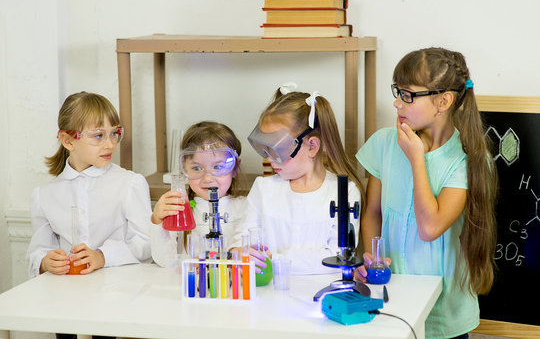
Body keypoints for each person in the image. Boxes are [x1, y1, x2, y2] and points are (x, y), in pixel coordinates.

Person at [354, 48, 497, 339]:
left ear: (443, 101)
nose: (396, 103)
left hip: (443, 318)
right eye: (397, 91)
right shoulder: (384, 143)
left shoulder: (466, 159)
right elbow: (373, 212)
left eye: (407, 94)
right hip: (390, 304)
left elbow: (429, 227)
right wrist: (372, 260)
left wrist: (417, 160)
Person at [230, 82, 366, 275]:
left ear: (312, 146)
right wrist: (238, 252)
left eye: (278, 149)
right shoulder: (263, 188)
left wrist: (273, 259)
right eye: (266, 149)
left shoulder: (345, 191)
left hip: (322, 299)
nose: (269, 158)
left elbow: (338, 257)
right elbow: (240, 241)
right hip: (267, 298)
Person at [27, 92, 152, 280]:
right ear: (68, 140)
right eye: (99, 135)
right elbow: (37, 252)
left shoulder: (129, 184)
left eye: (114, 134)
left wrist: (102, 257)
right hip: (67, 294)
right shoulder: (44, 196)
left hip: (120, 291)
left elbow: (146, 244)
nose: (110, 144)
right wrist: (45, 261)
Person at [151, 121, 247, 267]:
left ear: (234, 168)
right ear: (184, 169)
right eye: (196, 168)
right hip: (191, 286)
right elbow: (164, 260)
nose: (207, 178)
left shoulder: (246, 207)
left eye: (218, 166)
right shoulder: (179, 211)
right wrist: (157, 220)